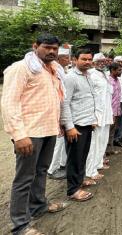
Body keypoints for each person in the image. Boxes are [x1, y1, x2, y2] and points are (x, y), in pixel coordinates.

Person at [1, 34, 67, 234]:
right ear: (35, 46)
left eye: (55, 48)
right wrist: (19, 135)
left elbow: (56, 99)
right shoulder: (21, 68)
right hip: (29, 133)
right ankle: (20, 224)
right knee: (24, 178)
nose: (52, 52)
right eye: (47, 47)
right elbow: (9, 103)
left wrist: (60, 124)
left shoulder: (53, 70)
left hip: (49, 129)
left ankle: (38, 206)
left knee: (41, 171)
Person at [61, 48, 97, 202]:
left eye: (89, 59)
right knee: (74, 159)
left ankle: (79, 181)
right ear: (75, 59)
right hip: (75, 125)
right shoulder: (70, 78)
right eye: (84, 59)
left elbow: (87, 99)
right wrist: (69, 127)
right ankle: (73, 190)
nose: (88, 62)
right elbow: (64, 103)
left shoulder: (88, 76)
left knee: (82, 156)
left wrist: (92, 119)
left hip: (87, 123)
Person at [85, 53, 114, 182]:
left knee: (103, 140)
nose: (102, 63)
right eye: (99, 61)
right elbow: (89, 96)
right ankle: (90, 171)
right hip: (96, 114)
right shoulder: (90, 74)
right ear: (94, 62)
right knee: (94, 143)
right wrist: (92, 116)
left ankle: (98, 164)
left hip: (106, 113)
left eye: (104, 61)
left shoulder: (105, 74)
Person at [47, 47, 71, 180]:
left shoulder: (62, 69)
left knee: (62, 141)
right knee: (59, 141)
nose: (68, 60)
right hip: (57, 109)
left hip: (62, 108)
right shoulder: (55, 68)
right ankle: (52, 169)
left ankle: (62, 164)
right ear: (59, 58)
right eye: (66, 58)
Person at [107, 62, 122, 155]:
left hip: (116, 110)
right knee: (107, 132)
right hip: (110, 112)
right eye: (119, 70)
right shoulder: (109, 81)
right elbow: (108, 99)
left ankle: (110, 149)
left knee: (112, 131)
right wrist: (111, 113)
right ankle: (104, 152)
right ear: (113, 70)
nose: (121, 72)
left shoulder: (117, 80)